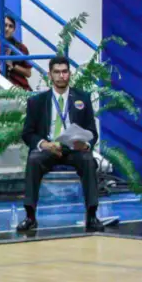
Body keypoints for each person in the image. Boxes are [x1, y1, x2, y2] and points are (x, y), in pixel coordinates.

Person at [17, 55, 102, 233]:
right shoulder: (37, 102)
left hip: (74, 149)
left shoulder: (82, 98)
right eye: (57, 72)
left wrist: (86, 145)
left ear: (70, 74)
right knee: (33, 159)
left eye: (64, 72)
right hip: (49, 148)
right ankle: (30, 216)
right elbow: (27, 134)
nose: (61, 76)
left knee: (88, 160)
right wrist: (45, 144)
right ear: (50, 75)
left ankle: (92, 215)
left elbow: (93, 132)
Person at [4, 16, 32, 91]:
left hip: (18, 87)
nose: (7, 29)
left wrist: (13, 66)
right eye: (5, 25)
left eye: (10, 26)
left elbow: (28, 73)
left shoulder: (21, 48)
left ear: (14, 29)